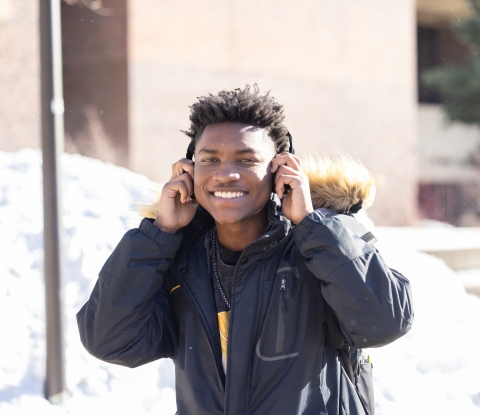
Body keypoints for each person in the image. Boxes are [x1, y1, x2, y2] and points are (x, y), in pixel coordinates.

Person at [77, 85, 413, 415]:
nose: (226, 174)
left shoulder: (321, 246)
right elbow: (110, 340)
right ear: (190, 170)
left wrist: (311, 225)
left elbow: (383, 323)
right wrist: (159, 234)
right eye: (210, 159)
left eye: (246, 159)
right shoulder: (179, 259)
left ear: (281, 169)